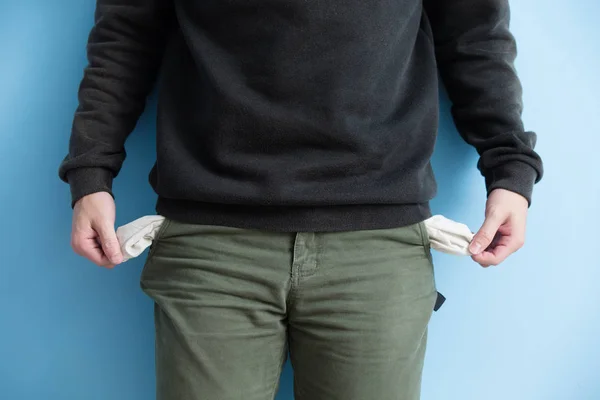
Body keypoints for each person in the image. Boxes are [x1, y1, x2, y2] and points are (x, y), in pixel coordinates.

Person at [58, 0, 543, 399]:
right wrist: (91, 173)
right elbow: (124, 39)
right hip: (211, 243)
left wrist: (510, 168)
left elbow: (475, 38)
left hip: (377, 245)